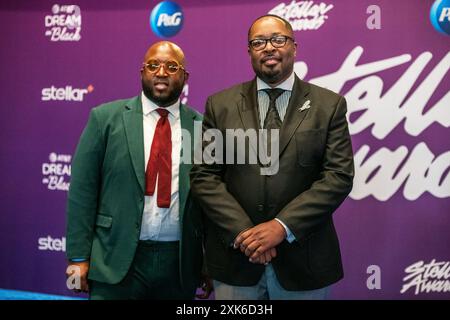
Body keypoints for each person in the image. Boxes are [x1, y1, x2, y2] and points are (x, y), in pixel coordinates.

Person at [190, 15, 354, 300]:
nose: (269, 47)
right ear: (249, 51)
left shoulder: (329, 106)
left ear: (294, 47)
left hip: (306, 263)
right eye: (259, 42)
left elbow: (338, 177)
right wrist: (246, 235)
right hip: (235, 262)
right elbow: (204, 176)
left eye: (278, 39)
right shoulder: (220, 105)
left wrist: (281, 227)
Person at [65, 41, 211, 300]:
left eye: (172, 66)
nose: (162, 72)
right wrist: (78, 258)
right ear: (142, 72)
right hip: (114, 260)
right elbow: (82, 192)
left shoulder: (203, 128)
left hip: (178, 265)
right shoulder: (104, 119)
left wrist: (210, 264)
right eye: (153, 65)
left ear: (185, 76)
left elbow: (212, 202)